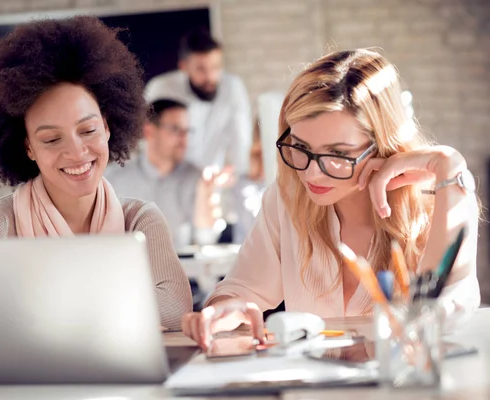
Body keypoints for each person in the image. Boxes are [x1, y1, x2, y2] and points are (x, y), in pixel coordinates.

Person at [0, 16, 192, 355]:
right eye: (51, 139)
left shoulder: (140, 220)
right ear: (28, 147)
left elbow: (176, 309)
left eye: (88, 130)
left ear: (108, 127)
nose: (77, 152)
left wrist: (28, 315)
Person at [181, 49, 481, 348]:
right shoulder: (286, 199)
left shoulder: (440, 198)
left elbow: (435, 310)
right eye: (299, 146)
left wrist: (449, 164)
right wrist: (222, 307)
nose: (312, 174)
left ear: (381, 144)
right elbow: (245, 288)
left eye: (338, 153)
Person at [105, 99, 222, 249]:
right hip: (129, 268)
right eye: (175, 130)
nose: (184, 139)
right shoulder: (114, 178)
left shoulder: (196, 177)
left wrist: (206, 191)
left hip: (181, 268)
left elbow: (206, 238)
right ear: (149, 131)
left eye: (187, 131)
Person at [144, 28, 252, 175]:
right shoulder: (161, 88)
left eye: (215, 67)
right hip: (169, 178)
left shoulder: (233, 88)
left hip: (212, 179)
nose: (210, 76)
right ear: (184, 67)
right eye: (201, 69)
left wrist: (239, 173)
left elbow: (241, 140)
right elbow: (148, 140)